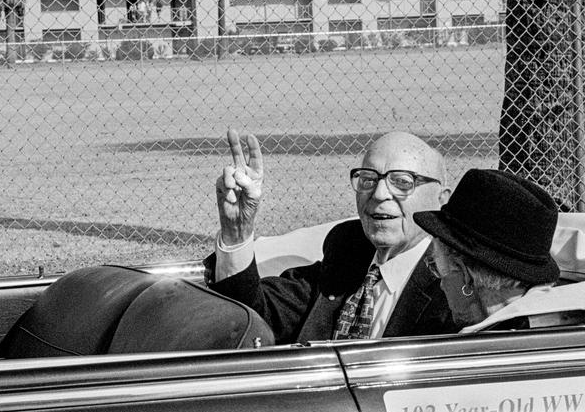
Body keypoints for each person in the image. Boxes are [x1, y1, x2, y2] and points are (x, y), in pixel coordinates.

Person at [205, 128, 458, 343]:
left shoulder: (456, 285)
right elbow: (254, 318)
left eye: (402, 182)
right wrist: (237, 230)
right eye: (368, 179)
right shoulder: (347, 252)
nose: (380, 194)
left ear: (441, 200)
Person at [412, 168, 562, 330]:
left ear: (466, 276)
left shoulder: (466, 348)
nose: (441, 286)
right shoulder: (567, 323)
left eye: (438, 271)